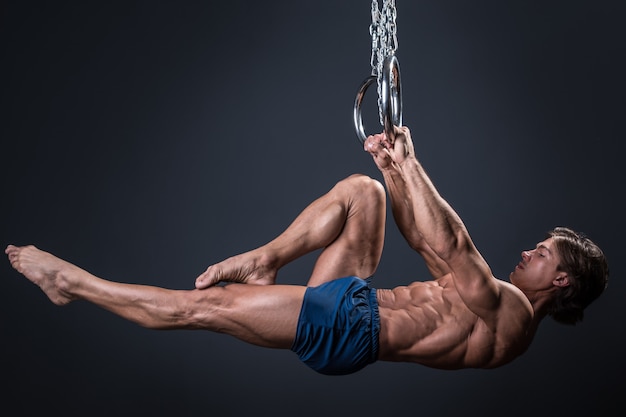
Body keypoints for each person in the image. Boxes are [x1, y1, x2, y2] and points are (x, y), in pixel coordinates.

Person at [5, 126, 608, 375]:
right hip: (354, 301)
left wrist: (414, 162)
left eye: (544, 254)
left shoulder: (511, 317)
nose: (531, 251)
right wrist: (393, 172)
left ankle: (71, 284)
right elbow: (426, 240)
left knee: (200, 309)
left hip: (347, 333)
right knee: (364, 193)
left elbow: (454, 241)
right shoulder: (494, 300)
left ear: (561, 283)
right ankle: (269, 258)